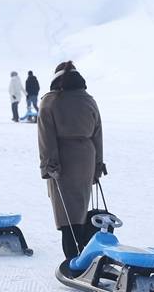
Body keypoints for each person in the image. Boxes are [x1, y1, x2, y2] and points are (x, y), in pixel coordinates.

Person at [37, 61, 104, 260]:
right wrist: (98, 165)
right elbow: (98, 134)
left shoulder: (50, 101)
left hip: (62, 158)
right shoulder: (89, 100)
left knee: (66, 211)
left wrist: (49, 165)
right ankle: (87, 252)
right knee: (81, 206)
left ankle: (73, 258)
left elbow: (45, 137)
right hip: (86, 157)